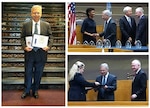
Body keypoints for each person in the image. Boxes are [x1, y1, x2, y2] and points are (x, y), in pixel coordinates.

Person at [20, 5, 53, 99]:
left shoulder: (46, 25)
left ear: (41, 14)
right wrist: (24, 47)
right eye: (34, 12)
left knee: (38, 74)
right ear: (31, 14)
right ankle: (26, 91)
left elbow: (51, 37)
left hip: (41, 53)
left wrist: (48, 46)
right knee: (28, 73)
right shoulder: (26, 25)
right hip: (29, 53)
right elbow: (22, 37)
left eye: (38, 12)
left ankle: (35, 91)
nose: (36, 14)